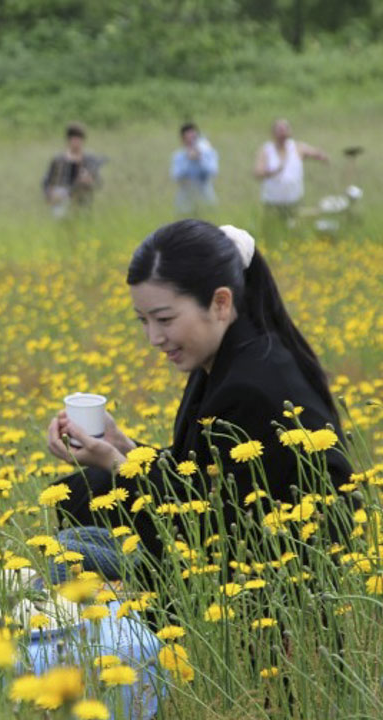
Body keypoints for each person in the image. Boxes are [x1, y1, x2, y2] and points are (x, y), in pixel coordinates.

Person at [44, 219, 352, 583]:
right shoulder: (221, 358)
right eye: (143, 321)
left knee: (66, 558)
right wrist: (120, 445)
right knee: (73, 498)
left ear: (220, 302)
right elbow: (194, 479)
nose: (154, 338)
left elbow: (214, 527)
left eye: (164, 319)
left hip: (269, 580)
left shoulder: (252, 385)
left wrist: (116, 463)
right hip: (223, 548)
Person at [254, 119, 328, 233]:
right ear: (273, 133)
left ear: (290, 132)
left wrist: (321, 156)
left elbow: (315, 153)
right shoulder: (266, 150)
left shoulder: (298, 147)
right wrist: (272, 172)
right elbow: (258, 172)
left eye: (285, 129)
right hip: (272, 203)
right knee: (272, 231)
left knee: (295, 231)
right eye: (279, 130)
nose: (282, 133)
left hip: (294, 202)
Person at [42, 123, 104, 220]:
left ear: (83, 140)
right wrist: (50, 195)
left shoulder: (89, 159)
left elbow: (98, 183)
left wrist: (90, 182)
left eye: (79, 138)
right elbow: (46, 181)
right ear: (68, 140)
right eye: (73, 138)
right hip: (61, 204)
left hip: (84, 205)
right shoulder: (58, 159)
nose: (76, 142)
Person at [171, 123, 219, 217]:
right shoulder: (178, 156)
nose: (191, 141)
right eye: (188, 138)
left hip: (206, 196)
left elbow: (213, 172)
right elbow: (177, 177)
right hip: (185, 199)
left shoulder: (209, 153)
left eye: (193, 137)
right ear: (182, 139)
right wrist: (189, 160)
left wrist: (200, 160)